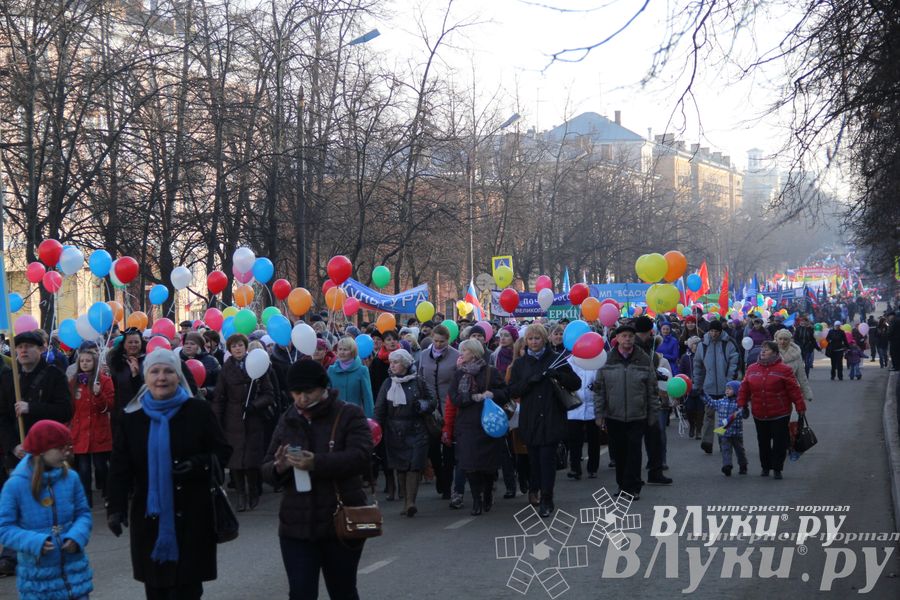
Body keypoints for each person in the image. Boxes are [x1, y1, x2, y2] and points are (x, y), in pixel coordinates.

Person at [106, 349, 231, 600]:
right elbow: (120, 467)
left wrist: (198, 464)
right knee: (156, 588)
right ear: (145, 377)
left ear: (178, 376)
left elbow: (222, 451)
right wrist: (115, 507)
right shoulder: (133, 418)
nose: (161, 377)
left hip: (193, 514)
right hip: (149, 517)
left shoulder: (198, 411)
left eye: (168, 371)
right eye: (155, 371)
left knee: (188, 589)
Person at [261, 359, 372, 600]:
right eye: (296, 393)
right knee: (301, 593)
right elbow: (267, 466)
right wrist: (278, 468)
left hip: (340, 522)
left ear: (323, 388)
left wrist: (317, 463)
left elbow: (362, 457)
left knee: (342, 590)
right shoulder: (288, 417)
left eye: (308, 391)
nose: (301, 398)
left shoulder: (348, 414)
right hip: (296, 525)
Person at [0, 420, 93, 599]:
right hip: (39, 582)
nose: (67, 453)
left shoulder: (71, 477)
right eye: (60, 448)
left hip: (74, 575)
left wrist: (77, 535)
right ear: (41, 450)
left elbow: (83, 513)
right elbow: (5, 528)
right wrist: (35, 542)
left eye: (68, 446)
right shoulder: (15, 485)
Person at [508, 324, 580, 517]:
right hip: (530, 419)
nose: (534, 342)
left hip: (551, 417)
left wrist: (558, 375)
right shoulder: (521, 364)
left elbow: (575, 383)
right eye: (530, 339)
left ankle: (547, 498)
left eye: (537, 338)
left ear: (544, 339)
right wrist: (528, 382)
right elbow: (512, 390)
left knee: (547, 461)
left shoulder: (556, 359)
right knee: (534, 461)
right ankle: (535, 489)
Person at [593, 323, 658, 501]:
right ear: (617, 339)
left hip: (638, 415)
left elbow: (652, 388)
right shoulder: (607, 359)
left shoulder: (643, 358)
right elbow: (600, 389)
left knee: (634, 452)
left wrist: (653, 413)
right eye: (624, 336)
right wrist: (599, 414)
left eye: (630, 336)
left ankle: (633, 487)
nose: (627, 339)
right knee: (620, 452)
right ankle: (622, 485)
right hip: (614, 415)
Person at [211, 333, 275, 512]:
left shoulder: (257, 365)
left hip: (253, 419)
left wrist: (255, 405)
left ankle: (253, 490)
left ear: (245, 347)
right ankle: (240, 494)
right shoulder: (226, 369)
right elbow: (219, 396)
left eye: (240, 345)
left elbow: (269, 394)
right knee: (236, 460)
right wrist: (216, 419)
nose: (237, 349)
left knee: (252, 459)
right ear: (230, 350)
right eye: (234, 346)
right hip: (233, 419)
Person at [449, 339, 508, 516]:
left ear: (474, 353)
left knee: (488, 466)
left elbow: (505, 393)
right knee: (470, 465)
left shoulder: (491, 372)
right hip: (467, 425)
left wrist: (493, 394)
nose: (462, 354)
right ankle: (476, 499)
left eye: (465, 351)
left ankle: (488, 492)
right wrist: (470, 398)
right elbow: (454, 398)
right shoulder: (459, 374)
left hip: (488, 423)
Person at [374, 348, 435, 517]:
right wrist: (375, 428)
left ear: (406, 364)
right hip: (394, 430)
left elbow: (432, 401)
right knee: (400, 466)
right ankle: (405, 500)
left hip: (416, 429)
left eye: (396, 362)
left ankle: (410, 502)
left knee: (414, 466)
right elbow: (379, 408)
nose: (392, 365)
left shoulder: (418, 381)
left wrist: (422, 405)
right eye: (391, 362)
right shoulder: (388, 383)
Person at [737, 341, 806, 479]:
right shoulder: (751, 368)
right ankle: (765, 467)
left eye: (767, 350)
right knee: (763, 442)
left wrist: (800, 406)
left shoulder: (784, 370)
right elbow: (744, 388)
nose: (763, 351)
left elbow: (794, 390)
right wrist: (742, 404)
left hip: (780, 413)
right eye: (762, 349)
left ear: (775, 352)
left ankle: (777, 468)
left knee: (780, 442)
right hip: (759, 412)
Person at [68, 347, 115, 508]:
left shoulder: (104, 381)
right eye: (82, 361)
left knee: (101, 467)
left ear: (94, 362)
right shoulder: (73, 382)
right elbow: (70, 407)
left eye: (88, 360)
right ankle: (85, 501)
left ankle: (109, 493)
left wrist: (98, 394)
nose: (85, 363)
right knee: (84, 470)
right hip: (80, 433)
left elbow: (109, 405)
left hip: (98, 431)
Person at [417, 324, 459, 502]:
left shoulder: (456, 356)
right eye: (436, 341)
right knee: (433, 448)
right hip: (430, 409)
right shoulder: (424, 355)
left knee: (448, 447)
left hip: (448, 405)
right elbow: (420, 377)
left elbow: (458, 381)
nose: (439, 344)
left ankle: (448, 485)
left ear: (448, 341)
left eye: (442, 341)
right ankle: (440, 477)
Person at [693, 320, 739, 454]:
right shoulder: (703, 345)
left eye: (716, 331)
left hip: (726, 387)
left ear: (721, 331)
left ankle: (723, 440)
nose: (714, 334)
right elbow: (698, 366)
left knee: (725, 416)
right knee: (708, 415)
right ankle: (707, 441)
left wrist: (730, 382)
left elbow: (734, 364)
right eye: (711, 331)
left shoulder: (728, 344)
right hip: (709, 386)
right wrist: (697, 384)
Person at [565, 353, 599, 480]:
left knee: (593, 439)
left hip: (592, 406)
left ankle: (593, 468)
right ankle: (575, 468)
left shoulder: (596, 361)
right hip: (574, 406)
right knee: (574, 439)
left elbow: (599, 380)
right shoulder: (569, 362)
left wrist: (596, 386)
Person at [107, 328, 146, 432]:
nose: (133, 345)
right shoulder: (115, 362)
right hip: (120, 412)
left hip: (142, 411)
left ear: (141, 343)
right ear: (124, 344)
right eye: (130, 342)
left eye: (136, 342)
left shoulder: (147, 361)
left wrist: (136, 376)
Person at [705, 381, 747, 476]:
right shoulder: (721, 402)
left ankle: (743, 464)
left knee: (740, 451)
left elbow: (745, 415)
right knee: (726, 450)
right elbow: (710, 402)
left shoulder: (739, 404)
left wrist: (745, 408)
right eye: (726, 388)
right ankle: (727, 466)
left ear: (736, 391)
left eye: (730, 388)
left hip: (736, 433)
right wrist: (703, 394)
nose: (727, 390)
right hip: (724, 432)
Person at [327, 337, 375, 418]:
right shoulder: (331, 370)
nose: (342, 352)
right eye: (340, 349)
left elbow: (367, 398)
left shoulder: (362, 370)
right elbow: (326, 395)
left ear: (353, 352)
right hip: (334, 417)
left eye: (345, 349)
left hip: (355, 417)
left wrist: (369, 420)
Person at [773, 330, 814, 405]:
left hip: (791, 388)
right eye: (780, 339)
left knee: (792, 413)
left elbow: (801, 375)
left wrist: (807, 393)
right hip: (774, 389)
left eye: (785, 339)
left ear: (790, 340)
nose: (782, 342)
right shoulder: (770, 352)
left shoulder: (796, 354)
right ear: (776, 339)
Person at [178, 332, 220, 399]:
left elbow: (221, 386)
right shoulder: (179, 361)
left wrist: (207, 391)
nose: (188, 346)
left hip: (206, 403)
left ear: (199, 346)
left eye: (192, 344)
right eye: (186, 343)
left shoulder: (211, 361)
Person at [678, 336, 703, 439]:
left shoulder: (703, 355)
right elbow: (681, 372)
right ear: (690, 345)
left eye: (698, 343)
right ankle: (692, 426)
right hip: (689, 387)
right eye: (694, 343)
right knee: (689, 409)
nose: (696, 345)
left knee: (701, 410)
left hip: (701, 386)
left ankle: (699, 430)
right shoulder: (685, 357)